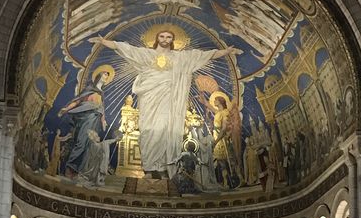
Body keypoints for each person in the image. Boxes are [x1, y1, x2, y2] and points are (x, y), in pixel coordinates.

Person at [89, 30, 240, 179]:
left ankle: (162, 168)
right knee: (148, 131)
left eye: (169, 37)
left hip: (169, 100)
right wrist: (104, 42)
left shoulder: (180, 57)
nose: (165, 39)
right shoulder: (146, 54)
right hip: (149, 100)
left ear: (172, 40)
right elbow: (125, 48)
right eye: (162, 36)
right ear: (157, 38)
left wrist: (225, 51)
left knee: (166, 130)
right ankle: (148, 168)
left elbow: (204, 55)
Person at [59, 68, 112, 179]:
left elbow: (102, 109)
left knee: (90, 146)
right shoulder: (90, 89)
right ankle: (70, 167)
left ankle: (81, 170)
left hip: (95, 120)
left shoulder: (101, 94)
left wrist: (103, 121)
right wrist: (66, 109)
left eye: (107, 76)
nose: (106, 77)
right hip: (86, 118)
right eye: (104, 74)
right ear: (98, 76)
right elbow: (78, 101)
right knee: (82, 142)